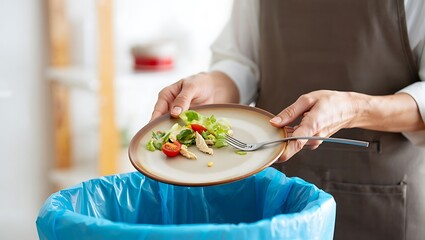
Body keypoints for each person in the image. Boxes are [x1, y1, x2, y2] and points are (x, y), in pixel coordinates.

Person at [150, 0, 425, 239]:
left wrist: (355, 108)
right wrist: (212, 86)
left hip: (380, 204)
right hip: (276, 198)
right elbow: (242, 61)